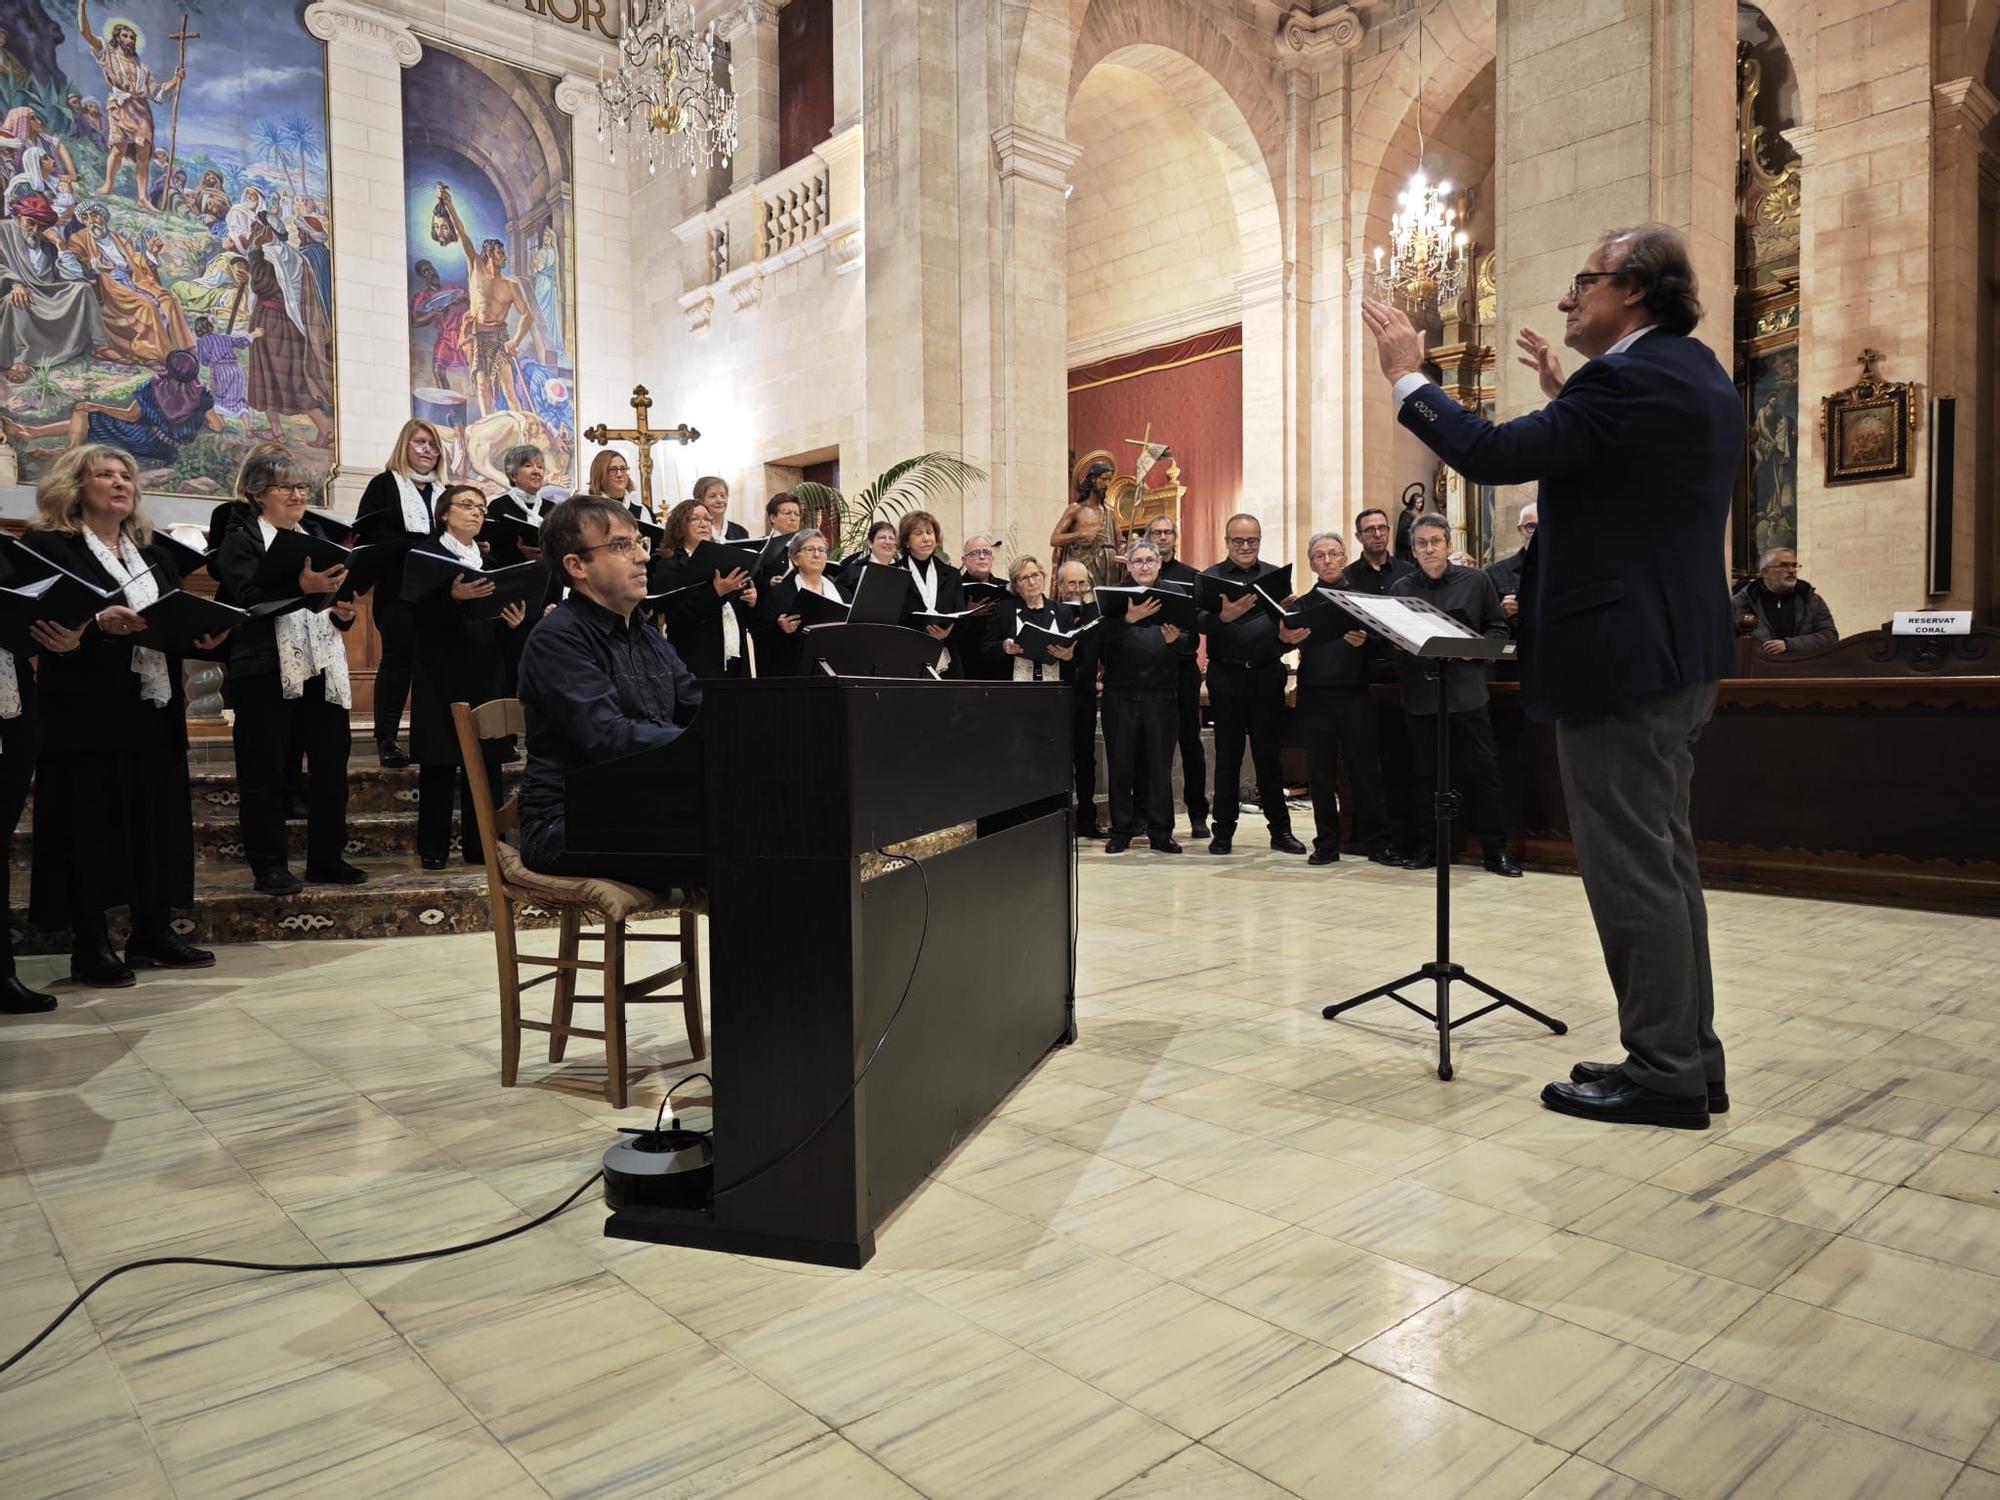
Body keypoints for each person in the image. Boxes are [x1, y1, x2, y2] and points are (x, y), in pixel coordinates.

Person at [1364, 221, 1738, 1130]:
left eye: (1584, 280)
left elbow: (1492, 455)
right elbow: (1622, 478)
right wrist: (1571, 397)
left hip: (1622, 661)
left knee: (1631, 871)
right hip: (1674, 654)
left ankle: (1664, 1072)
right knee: (1664, 863)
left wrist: (1409, 375)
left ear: (1637, 292)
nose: (1569, 298)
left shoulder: (1632, 377)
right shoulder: (1693, 376)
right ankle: (1687, 1056)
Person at [24, 444, 219, 985]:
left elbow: (169, 615)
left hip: (151, 707)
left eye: (126, 476)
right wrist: (91, 621)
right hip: (84, 709)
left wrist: (203, 635)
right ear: (75, 487)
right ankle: (91, 944)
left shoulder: (154, 553)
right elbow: (38, 617)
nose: (119, 483)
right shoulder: (49, 546)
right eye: (105, 475)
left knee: (155, 820)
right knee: (89, 827)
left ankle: (152, 931)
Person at [516, 495, 702, 892]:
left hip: (640, 803)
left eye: (639, 543)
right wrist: (709, 743)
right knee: (741, 842)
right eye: (622, 545)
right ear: (576, 566)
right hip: (566, 820)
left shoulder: (647, 634)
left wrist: (745, 733)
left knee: (769, 823)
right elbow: (607, 737)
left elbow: (696, 706)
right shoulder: (557, 639)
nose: (641, 557)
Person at [213, 448, 365, 896]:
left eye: (303, 487)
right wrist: (298, 587)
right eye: (287, 488)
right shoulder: (239, 540)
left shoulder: (315, 535)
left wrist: (344, 612)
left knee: (330, 768)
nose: (299, 495)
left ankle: (326, 858)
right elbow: (243, 598)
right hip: (263, 667)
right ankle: (270, 865)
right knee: (265, 770)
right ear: (258, 495)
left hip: (320, 663)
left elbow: (328, 606)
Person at [1386, 516, 1519, 878]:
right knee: (1426, 777)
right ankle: (1431, 848)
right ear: (1413, 550)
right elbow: (1393, 643)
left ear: (1447, 545)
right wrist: (1398, 642)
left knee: (1484, 773)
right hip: (1421, 696)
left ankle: (1497, 852)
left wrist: (1472, 649)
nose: (1429, 549)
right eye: (1422, 544)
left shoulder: (1477, 582)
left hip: (1466, 694)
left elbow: (1498, 628)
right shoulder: (1400, 588)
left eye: (1436, 542)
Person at [410, 484, 528, 869]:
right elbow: (412, 617)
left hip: (485, 669)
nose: (476, 513)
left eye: (480, 507)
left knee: (487, 761)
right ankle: (433, 848)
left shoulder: (492, 564)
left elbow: (501, 620)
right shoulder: (426, 555)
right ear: (444, 513)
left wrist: (515, 624)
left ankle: (483, 845)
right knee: (440, 764)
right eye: (466, 505)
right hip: (441, 671)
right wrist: (451, 600)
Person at [1289, 531, 1398, 866]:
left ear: (1344, 556)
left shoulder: (1363, 600)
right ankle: (1326, 843)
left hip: (1354, 694)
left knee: (1366, 771)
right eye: (1320, 555)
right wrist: (1285, 634)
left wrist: (1364, 643)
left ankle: (1377, 842)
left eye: (1334, 554)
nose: (1328, 561)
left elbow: (1385, 646)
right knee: (1320, 775)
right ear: (1311, 563)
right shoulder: (1302, 604)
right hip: (1314, 696)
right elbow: (1284, 642)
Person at [1199, 513, 1303, 856]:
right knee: (1227, 756)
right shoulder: (1210, 577)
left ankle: (1281, 832)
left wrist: (1288, 632)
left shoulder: (1274, 577)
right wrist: (1221, 618)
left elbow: (1287, 627)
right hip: (1226, 675)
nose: (1245, 547)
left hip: (1266, 672)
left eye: (1252, 541)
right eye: (1238, 541)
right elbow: (1196, 621)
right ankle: (1223, 833)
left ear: (1259, 541)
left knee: (1268, 756)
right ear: (1227, 541)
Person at [356, 418, 449, 767]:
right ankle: (388, 740)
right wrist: (420, 546)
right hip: (399, 590)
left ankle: (436, 736)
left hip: (441, 593)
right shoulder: (383, 485)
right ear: (404, 446)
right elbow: (369, 534)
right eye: (420, 443)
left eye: (433, 445)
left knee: (439, 664)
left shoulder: (447, 492)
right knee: (399, 660)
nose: (427, 450)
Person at [1098, 539, 1182, 854]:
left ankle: (1161, 832)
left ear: (1160, 564)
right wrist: (1127, 621)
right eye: (1138, 562)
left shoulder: (1173, 595)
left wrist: (1176, 641)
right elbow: (1098, 638)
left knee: (1160, 766)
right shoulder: (1113, 597)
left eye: (1150, 560)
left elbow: (1189, 643)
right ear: (1128, 565)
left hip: (1161, 694)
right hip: (1120, 693)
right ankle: (1121, 830)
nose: (1144, 566)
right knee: (1121, 764)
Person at [77, 6, 183, 209]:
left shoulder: (142, 68)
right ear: (117, 38)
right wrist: (82, 4)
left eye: (132, 37)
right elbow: (85, 32)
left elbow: (158, 93)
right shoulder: (107, 53)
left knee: (143, 153)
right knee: (118, 147)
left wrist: (175, 81)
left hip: (141, 111)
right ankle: (108, 185)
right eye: (125, 36)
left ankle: (143, 197)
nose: (129, 40)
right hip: (120, 105)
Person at [1143, 514, 1209, 838]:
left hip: (1182, 668)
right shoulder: (1138, 576)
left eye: (1168, 532)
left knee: (1190, 742)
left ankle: (1198, 814)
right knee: (1153, 746)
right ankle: (1149, 814)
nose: (1163, 537)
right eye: (1157, 532)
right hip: (1149, 671)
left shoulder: (1191, 576)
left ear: (1175, 537)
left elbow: (1195, 629)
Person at [0, 192, 114, 380]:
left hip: (48, 295)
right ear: (19, 218)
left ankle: (100, 346)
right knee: (15, 302)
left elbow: (74, 277)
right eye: (31, 223)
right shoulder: (3, 231)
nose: (35, 230)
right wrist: (15, 282)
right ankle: (20, 360)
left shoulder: (48, 242)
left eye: (42, 226)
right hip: (17, 294)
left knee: (83, 289)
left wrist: (60, 244)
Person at [650, 496, 755, 678]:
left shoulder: (725, 560)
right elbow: (676, 619)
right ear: (679, 526)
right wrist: (716, 592)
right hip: (698, 659)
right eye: (695, 518)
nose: (703, 524)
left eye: (707, 519)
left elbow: (740, 612)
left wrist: (751, 600)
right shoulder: (668, 566)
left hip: (734, 655)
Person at [1056, 559, 1102, 834]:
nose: (1076, 588)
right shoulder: (1052, 610)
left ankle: (1087, 817)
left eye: (1081, 583)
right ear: (1060, 585)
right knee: (1058, 757)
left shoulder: (1096, 612)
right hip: (1058, 692)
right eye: (1071, 583)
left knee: (1086, 758)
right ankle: (1058, 818)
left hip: (1085, 692)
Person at [757, 528, 841, 676]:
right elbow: (762, 637)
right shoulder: (780, 593)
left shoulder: (843, 593)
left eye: (821, 550)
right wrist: (780, 628)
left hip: (836, 668)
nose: (816, 554)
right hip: (794, 671)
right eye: (809, 549)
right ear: (795, 559)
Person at [984, 555, 1075, 682]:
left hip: (1055, 688)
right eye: (1024, 578)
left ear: (1043, 577)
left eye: (1035, 575)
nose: (1032, 582)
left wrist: (1069, 655)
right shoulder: (1004, 611)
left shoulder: (1062, 611)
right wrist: (1004, 647)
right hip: (1015, 689)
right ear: (1016, 586)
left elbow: (1077, 653)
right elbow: (986, 648)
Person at [900, 509, 969, 677]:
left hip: (948, 658)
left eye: (929, 532)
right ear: (906, 541)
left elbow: (962, 618)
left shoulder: (952, 575)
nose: (926, 538)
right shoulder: (895, 573)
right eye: (918, 533)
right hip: (907, 659)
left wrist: (948, 632)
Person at [1732, 547, 1837, 655]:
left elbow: (1829, 637)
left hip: (1803, 668)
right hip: (1758, 669)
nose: (1792, 571)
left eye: (1794, 565)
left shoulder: (1812, 601)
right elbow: (1727, 642)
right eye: (1784, 565)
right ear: (1765, 572)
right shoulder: (1741, 603)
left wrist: (1789, 645)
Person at [1050, 459, 1122, 585]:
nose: (1107, 484)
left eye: (1109, 480)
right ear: (1093, 479)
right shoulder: (1076, 509)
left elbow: (1121, 542)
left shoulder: (1110, 513)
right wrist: (1082, 534)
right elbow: (1054, 539)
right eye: (1104, 479)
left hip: (1110, 569)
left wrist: (1126, 550)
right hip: (1085, 569)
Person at [1486, 502, 1537, 626]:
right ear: (1520, 530)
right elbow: (1485, 623)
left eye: (1545, 525)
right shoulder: (1495, 574)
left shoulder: (1567, 571)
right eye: (1531, 527)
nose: (1538, 534)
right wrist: (1501, 611)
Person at [589, 448, 646, 524]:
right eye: (613, 470)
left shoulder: (642, 510)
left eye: (623, 469)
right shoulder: (589, 509)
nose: (619, 474)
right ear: (599, 474)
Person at [694, 474, 749, 540]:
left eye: (723, 496)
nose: (719, 500)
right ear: (700, 500)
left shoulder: (740, 532)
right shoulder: (694, 532)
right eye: (712, 496)